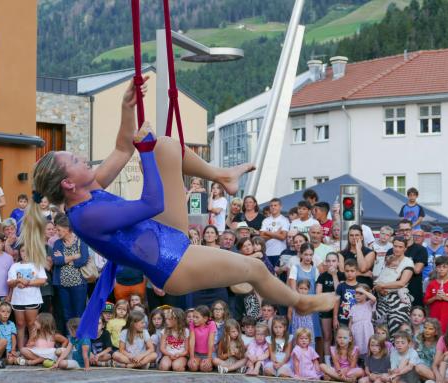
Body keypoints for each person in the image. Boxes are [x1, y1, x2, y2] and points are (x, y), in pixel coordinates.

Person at [22, 79, 335, 340]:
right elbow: (152, 204)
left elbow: (121, 148)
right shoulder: (86, 216)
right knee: (253, 268)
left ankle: (221, 175)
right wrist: (145, 155)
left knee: (167, 147)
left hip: (163, 233)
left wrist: (127, 106)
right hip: (173, 263)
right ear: (67, 184)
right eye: (74, 160)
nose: (80, 157)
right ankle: (300, 302)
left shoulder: (89, 191)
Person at [51, 215, 88, 330]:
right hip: (62, 285)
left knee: (79, 313)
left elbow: (82, 260)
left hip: (79, 285)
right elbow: (56, 261)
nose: (56, 232)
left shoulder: (81, 241)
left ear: (67, 228)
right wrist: (73, 256)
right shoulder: (58, 243)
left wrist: (65, 259)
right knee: (67, 314)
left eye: (59, 230)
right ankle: (70, 338)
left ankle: (81, 339)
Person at [7, 244, 47, 348]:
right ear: (20, 252)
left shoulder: (37, 264)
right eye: (23, 251)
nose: (25, 253)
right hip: (18, 300)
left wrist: (27, 282)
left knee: (31, 324)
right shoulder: (14, 266)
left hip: (32, 299)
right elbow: (10, 282)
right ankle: (21, 349)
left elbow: (42, 280)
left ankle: (31, 348)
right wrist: (17, 281)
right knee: (20, 324)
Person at [374, 236, 414, 337]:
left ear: (405, 248)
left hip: (398, 301)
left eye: (400, 247)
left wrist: (382, 286)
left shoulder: (408, 262)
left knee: (397, 333)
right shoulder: (389, 259)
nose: (397, 249)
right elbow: (380, 277)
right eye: (395, 246)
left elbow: (402, 283)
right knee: (380, 332)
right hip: (382, 299)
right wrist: (379, 287)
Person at [316, 252, 344, 365]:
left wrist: (334, 275)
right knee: (327, 336)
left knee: (340, 337)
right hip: (326, 309)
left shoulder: (342, 275)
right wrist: (332, 294)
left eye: (333, 261)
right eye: (328, 261)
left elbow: (340, 292)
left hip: (341, 309)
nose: (331, 263)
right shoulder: (322, 276)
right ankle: (328, 363)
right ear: (325, 263)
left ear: (337, 262)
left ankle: (340, 362)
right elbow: (318, 295)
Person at [424, 255, 448, 333]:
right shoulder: (432, 284)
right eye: (439, 267)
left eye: (444, 267)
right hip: (435, 319)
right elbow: (426, 301)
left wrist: (446, 298)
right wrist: (435, 298)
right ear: (436, 268)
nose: (441, 269)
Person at [348, 284, 376, 358]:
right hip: (356, 330)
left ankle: (368, 363)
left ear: (366, 294)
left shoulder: (368, 304)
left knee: (367, 346)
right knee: (357, 347)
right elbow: (351, 321)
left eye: (360, 293)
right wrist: (349, 332)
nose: (357, 295)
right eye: (356, 293)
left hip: (366, 329)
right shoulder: (353, 307)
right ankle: (359, 363)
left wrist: (364, 291)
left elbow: (374, 299)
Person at [288, 280, 317, 349]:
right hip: (297, 325)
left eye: (305, 289)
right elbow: (289, 313)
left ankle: (309, 358)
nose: (303, 291)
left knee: (308, 341)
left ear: (308, 290)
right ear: (297, 288)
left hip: (308, 326)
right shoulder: (294, 300)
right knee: (297, 342)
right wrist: (293, 323)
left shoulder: (310, 300)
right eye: (301, 288)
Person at [260, 198, 290, 263]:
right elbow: (262, 237)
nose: (273, 207)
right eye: (271, 206)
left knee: (278, 273)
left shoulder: (284, 220)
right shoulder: (266, 220)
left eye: (275, 205)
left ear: (280, 207)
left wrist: (268, 233)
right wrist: (276, 233)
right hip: (267, 253)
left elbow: (283, 237)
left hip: (280, 253)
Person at [159, 307, 189, 372]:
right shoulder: (164, 331)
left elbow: (187, 350)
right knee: (164, 367)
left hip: (181, 355)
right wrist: (170, 354)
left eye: (170, 319)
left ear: (177, 320)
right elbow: (162, 348)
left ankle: (181, 367)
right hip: (168, 354)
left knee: (176, 367)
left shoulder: (185, 331)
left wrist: (179, 355)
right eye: (166, 319)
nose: (166, 321)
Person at [187, 305, 215, 372]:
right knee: (193, 367)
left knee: (204, 368)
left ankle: (206, 364)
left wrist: (209, 358)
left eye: (197, 317)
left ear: (205, 318)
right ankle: (199, 363)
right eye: (193, 316)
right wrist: (191, 357)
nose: (194, 319)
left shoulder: (212, 324)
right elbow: (192, 341)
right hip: (196, 354)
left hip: (208, 354)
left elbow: (211, 342)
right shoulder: (192, 323)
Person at [334, 259, 359, 328]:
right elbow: (336, 303)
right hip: (342, 320)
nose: (349, 273)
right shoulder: (341, 286)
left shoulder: (360, 287)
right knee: (342, 338)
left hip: (356, 320)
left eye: (352, 271)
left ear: (357, 272)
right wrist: (335, 318)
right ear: (344, 271)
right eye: (347, 271)